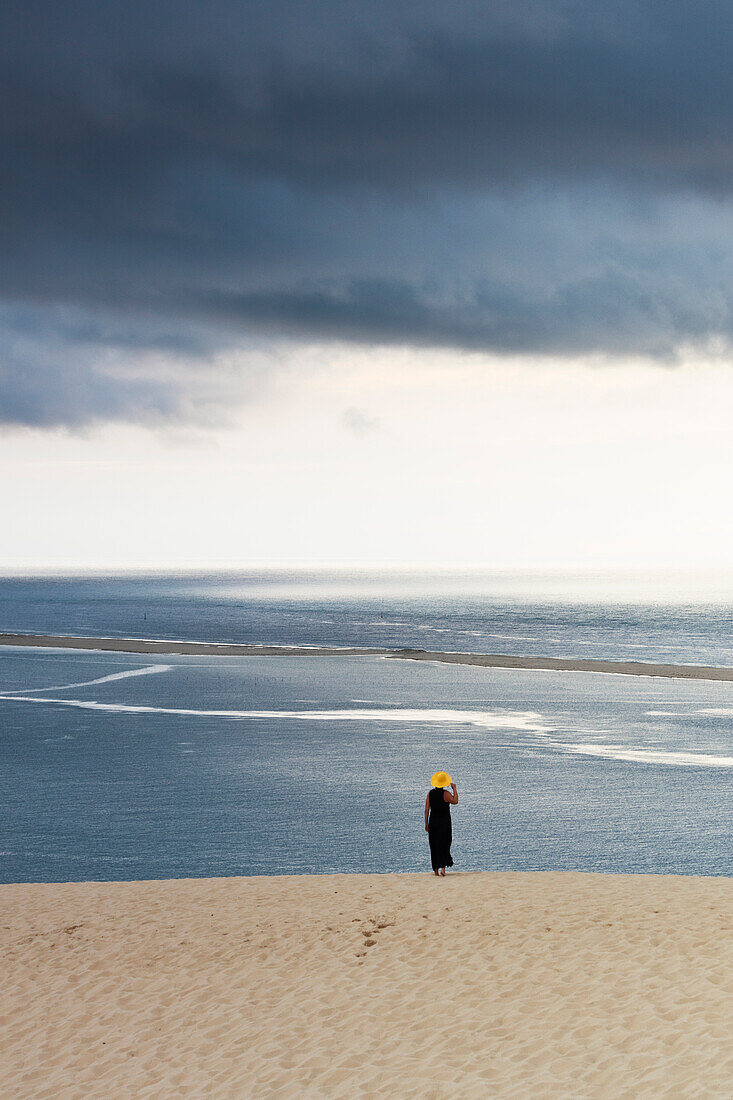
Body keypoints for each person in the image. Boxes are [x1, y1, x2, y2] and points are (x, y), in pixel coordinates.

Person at [424, 771, 458, 876]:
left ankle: (436, 870)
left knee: (434, 844)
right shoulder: (446, 794)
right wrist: (455, 789)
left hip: (433, 822)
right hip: (444, 822)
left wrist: (426, 823)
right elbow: (455, 801)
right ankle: (443, 868)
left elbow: (426, 810)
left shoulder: (430, 793)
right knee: (445, 843)